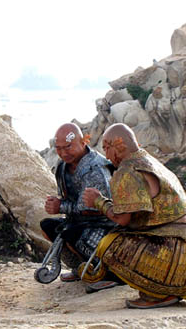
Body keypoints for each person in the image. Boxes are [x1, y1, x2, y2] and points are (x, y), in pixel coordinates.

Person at [81, 123, 186, 309]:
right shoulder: (151, 162)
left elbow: (122, 219)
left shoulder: (126, 171)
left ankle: (158, 293)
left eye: (106, 148)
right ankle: (164, 290)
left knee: (108, 243)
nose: (106, 155)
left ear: (116, 145)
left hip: (172, 254)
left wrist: (98, 201)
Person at [41, 123, 117, 289]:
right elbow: (68, 198)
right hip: (77, 220)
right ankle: (79, 267)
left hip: (105, 223)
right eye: (59, 149)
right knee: (48, 226)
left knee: (72, 233)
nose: (63, 153)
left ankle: (108, 273)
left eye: (68, 147)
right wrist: (58, 203)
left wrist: (60, 206)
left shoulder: (95, 168)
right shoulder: (62, 167)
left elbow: (92, 208)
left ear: (84, 142)